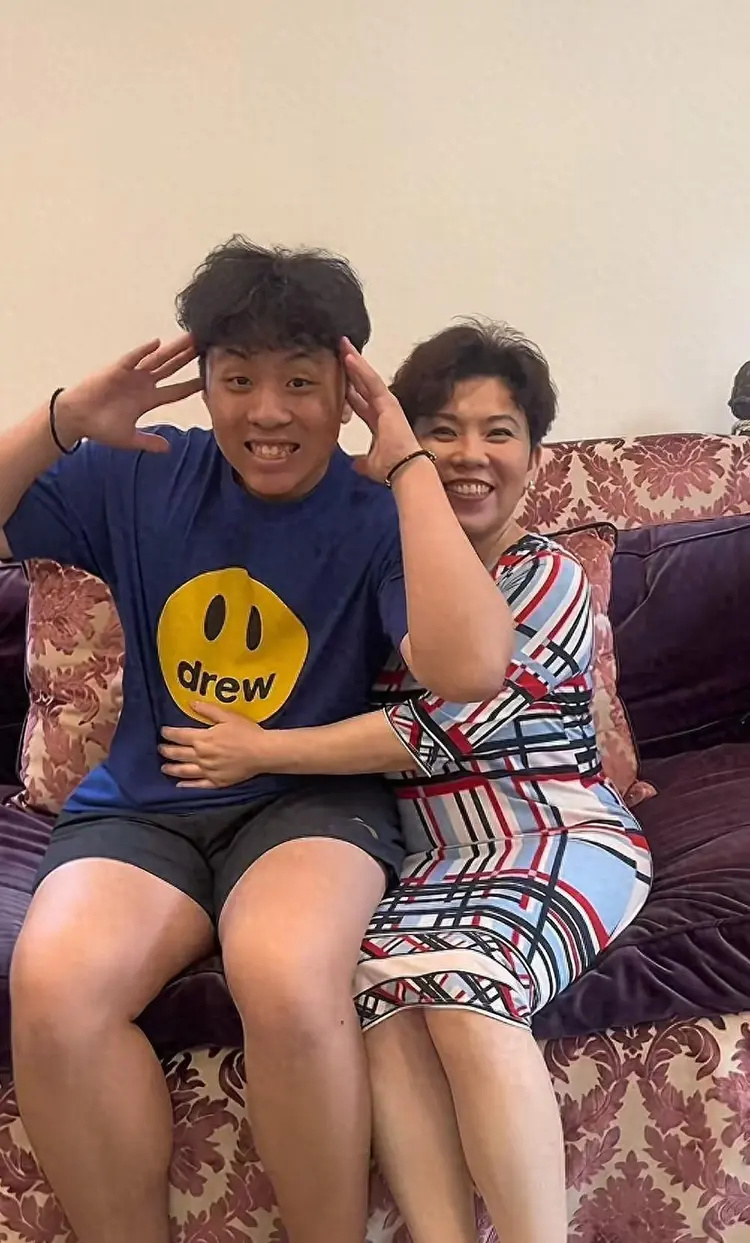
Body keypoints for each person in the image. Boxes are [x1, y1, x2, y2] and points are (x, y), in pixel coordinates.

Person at [2, 247, 515, 1243]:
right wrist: (66, 417)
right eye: (238, 380)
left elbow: (471, 668)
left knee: (283, 974)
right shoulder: (144, 469)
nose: (267, 412)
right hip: (144, 806)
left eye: (300, 383)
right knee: (54, 992)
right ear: (204, 384)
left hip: (309, 803)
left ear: (347, 389)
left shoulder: (378, 509)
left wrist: (409, 463)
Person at [163, 320, 653, 1243]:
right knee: (380, 998)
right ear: (403, 447)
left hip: (553, 834)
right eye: (440, 430)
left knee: (465, 989)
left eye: (498, 432)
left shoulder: (546, 575)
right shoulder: (384, 574)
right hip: (428, 861)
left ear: (534, 457)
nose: (469, 456)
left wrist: (260, 749)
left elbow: (442, 730)